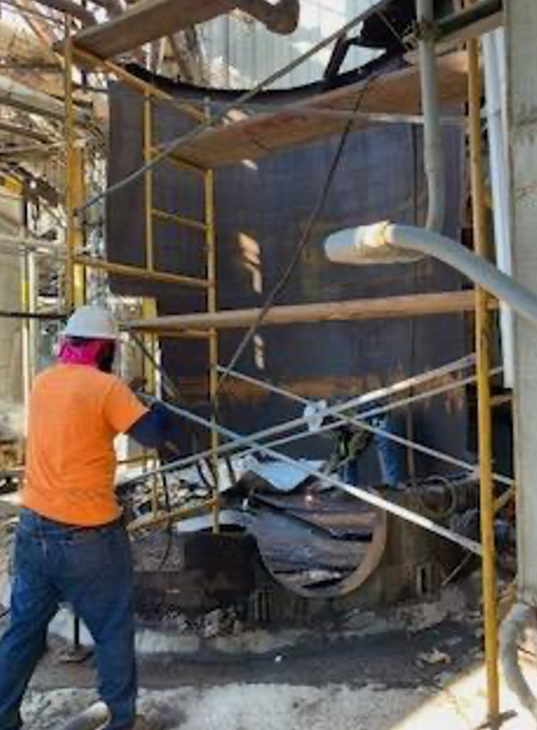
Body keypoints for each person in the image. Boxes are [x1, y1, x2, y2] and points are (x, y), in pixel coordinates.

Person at [0, 305, 172, 730]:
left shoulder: (43, 381)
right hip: (88, 535)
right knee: (112, 628)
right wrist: (160, 410)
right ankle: (120, 718)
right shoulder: (107, 389)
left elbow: (79, 418)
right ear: (106, 349)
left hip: (33, 527)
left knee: (23, 629)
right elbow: (151, 435)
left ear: (69, 343)